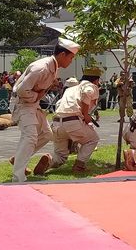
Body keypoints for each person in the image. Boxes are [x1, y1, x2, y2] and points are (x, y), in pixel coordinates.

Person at [9, 38, 80, 182]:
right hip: (22, 103)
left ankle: (19, 158)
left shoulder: (52, 67)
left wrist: (38, 94)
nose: (71, 61)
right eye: (71, 58)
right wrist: (38, 94)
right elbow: (22, 91)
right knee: (30, 136)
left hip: (32, 104)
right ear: (62, 55)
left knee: (47, 134)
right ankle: (18, 177)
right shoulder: (41, 68)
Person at [32, 67, 102, 175]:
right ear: (96, 80)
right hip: (73, 122)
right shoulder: (90, 86)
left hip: (56, 123)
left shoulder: (70, 89)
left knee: (61, 156)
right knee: (92, 140)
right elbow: (87, 93)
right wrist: (86, 114)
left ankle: (49, 161)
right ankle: (79, 165)